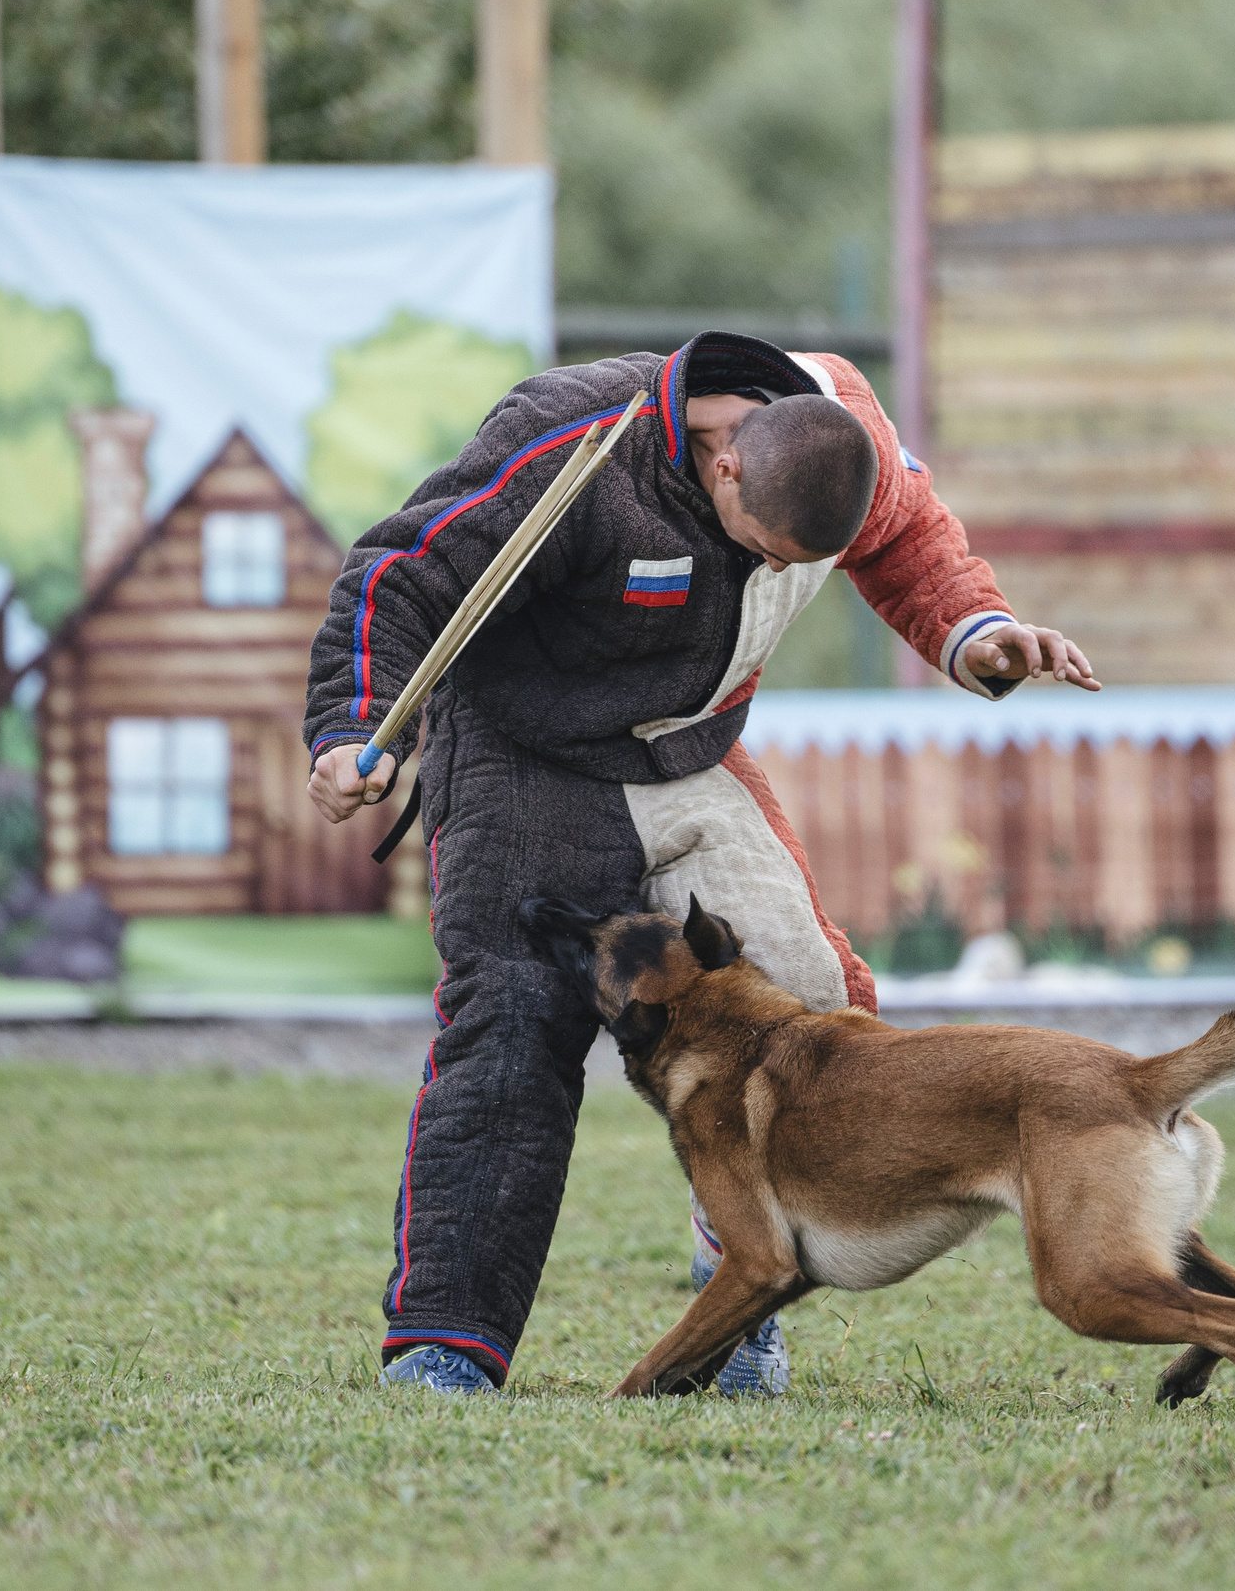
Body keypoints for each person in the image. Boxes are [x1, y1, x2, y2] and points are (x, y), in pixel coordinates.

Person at [304, 330, 1099, 1395]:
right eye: (766, 545)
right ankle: (446, 1344)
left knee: (808, 999)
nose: (775, 568)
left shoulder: (837, 418)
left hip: (692, 750)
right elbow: (400, 575)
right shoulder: (568, 436)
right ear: (723, 462)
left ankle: (743, 1294)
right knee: (514, 1023)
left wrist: (976, 629)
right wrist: (354, 728)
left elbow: (911, 537)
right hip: (526, 757)